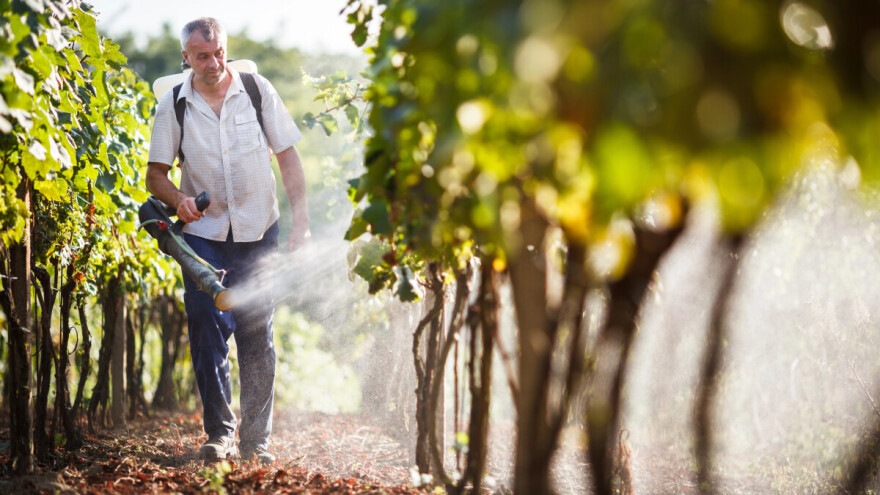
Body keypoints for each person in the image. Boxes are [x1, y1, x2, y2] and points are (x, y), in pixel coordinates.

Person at [145, 17, 310, 464]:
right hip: (204, 236)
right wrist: (179, 199)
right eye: (203, 56)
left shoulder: (256, 90)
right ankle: (220, 434)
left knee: (258, 333)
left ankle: (256, 443)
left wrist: (301, 224)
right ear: (186, 58)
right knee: (205, 326)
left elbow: (288, 156)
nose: (214, 62)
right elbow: (155, 175)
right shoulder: (173, 106)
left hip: (259, 231)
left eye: (219, 52)